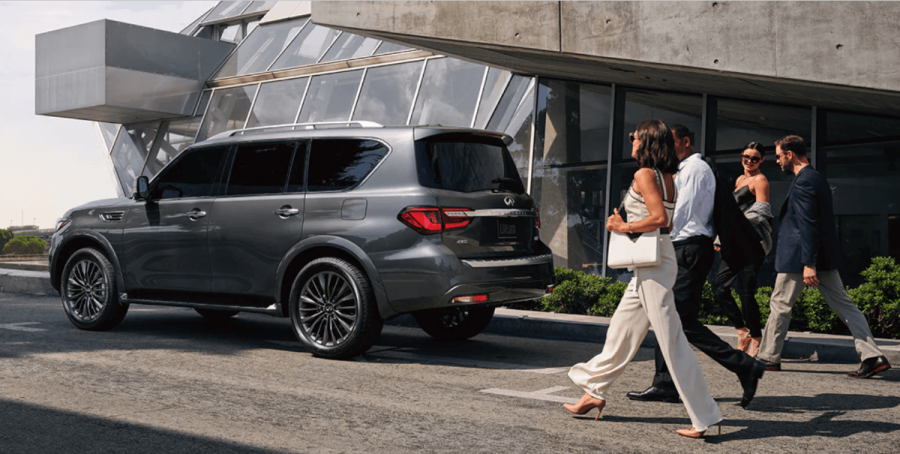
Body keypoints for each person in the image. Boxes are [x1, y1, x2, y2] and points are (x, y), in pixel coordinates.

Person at [564, 119, 722, 439]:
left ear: (646, 140)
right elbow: (672, 220)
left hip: (653, 265)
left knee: (672, 342)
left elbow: (660, 219)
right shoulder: (668, 177)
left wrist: (621, 227)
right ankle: (594, 391)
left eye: (634, 136)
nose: (631, 141)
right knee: (621, 331)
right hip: (655, 260)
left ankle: (707, 418)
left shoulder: (645, 174)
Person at [625, 125, 765, 409]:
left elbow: (677, 216)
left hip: (688, 249)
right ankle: (665, 384)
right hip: (686, 248)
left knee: (680, 320)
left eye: (671, 142)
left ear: (685, 142)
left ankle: (743, 365)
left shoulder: (694, 169)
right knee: (669, 317)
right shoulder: (685, 169)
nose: (665, 147)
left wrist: (641, 230)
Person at [756, 135, 891, 378]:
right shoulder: (815, 177)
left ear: (790, 154)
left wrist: (809, 263)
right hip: (820, 257)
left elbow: (809, 224)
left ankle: (767, 357)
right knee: (845, 305)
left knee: (780, 305)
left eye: (778, 156)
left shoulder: (805, 181)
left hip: (801, 258)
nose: (776, 161)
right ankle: (873, 356)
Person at [712, 142, 773, 357]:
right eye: (746, 157)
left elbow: (762, 210)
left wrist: (736, 224)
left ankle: (756, 336)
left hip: (751, 243)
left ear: (762, 160)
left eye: (754, 158)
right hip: (734, 242)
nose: (749, 161)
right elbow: (730, 212)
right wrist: (722, 235)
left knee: (746, 293)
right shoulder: (740, 180)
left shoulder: (760, 180)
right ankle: (741, 329)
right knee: (719, 287)